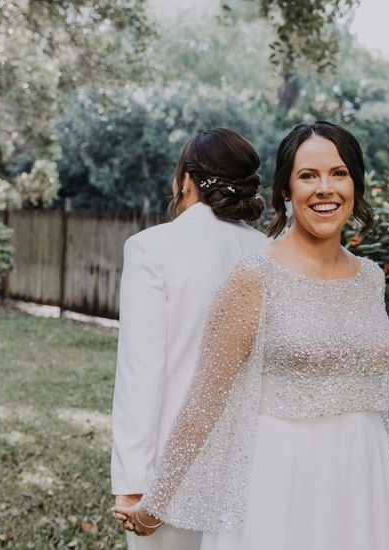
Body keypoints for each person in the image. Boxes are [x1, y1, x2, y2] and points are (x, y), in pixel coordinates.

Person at [115, 121, 389, 549]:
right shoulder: (255, 274)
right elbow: (206, 396)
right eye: (308, 176)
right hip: (281, 485)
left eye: (339, 173)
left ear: (356, 185)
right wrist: (156, 501)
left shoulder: (371, 278)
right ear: (285, 191)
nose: (325, 187)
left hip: (363, 480)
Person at [111, 127, 268, 550]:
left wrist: (132, 479)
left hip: (172, 463)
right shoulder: (271, 252)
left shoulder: (152, 248)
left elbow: (140, 370)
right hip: (256, 462)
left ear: (185, 181)